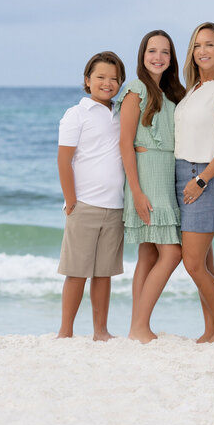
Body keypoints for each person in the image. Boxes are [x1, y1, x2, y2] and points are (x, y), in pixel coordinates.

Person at [173, 22, 214, 343]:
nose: (203, 51)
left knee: (193, 263)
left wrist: (200, 180)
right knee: (205, 263)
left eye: (210, 45)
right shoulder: (193, 91)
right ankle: (210, 329)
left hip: (205, 180)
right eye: (197, 45)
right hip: (183, 175)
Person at [118, 30, 186, 343]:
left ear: (171, 59)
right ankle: (140, 325)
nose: (157, 57)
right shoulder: (135, 90)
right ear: (142, 56)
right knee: (171, 253)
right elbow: (125, 144)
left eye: (164, 52)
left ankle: (137, 327)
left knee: (148, 255)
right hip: (145, 177)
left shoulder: (174, 94)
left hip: (167, 174)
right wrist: (137, 192)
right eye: (151, 51)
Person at [57, 50, 127, 340]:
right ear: (87, 80)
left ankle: (101, 331)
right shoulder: (76, 114)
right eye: (100, 77)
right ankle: (65, 331)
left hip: (115, 206)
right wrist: (72, 202)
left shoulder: (121, 113)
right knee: (77, 272)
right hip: (84, 205)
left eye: (114, 78)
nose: (107, 83)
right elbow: (64, 160)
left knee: (104, 273)